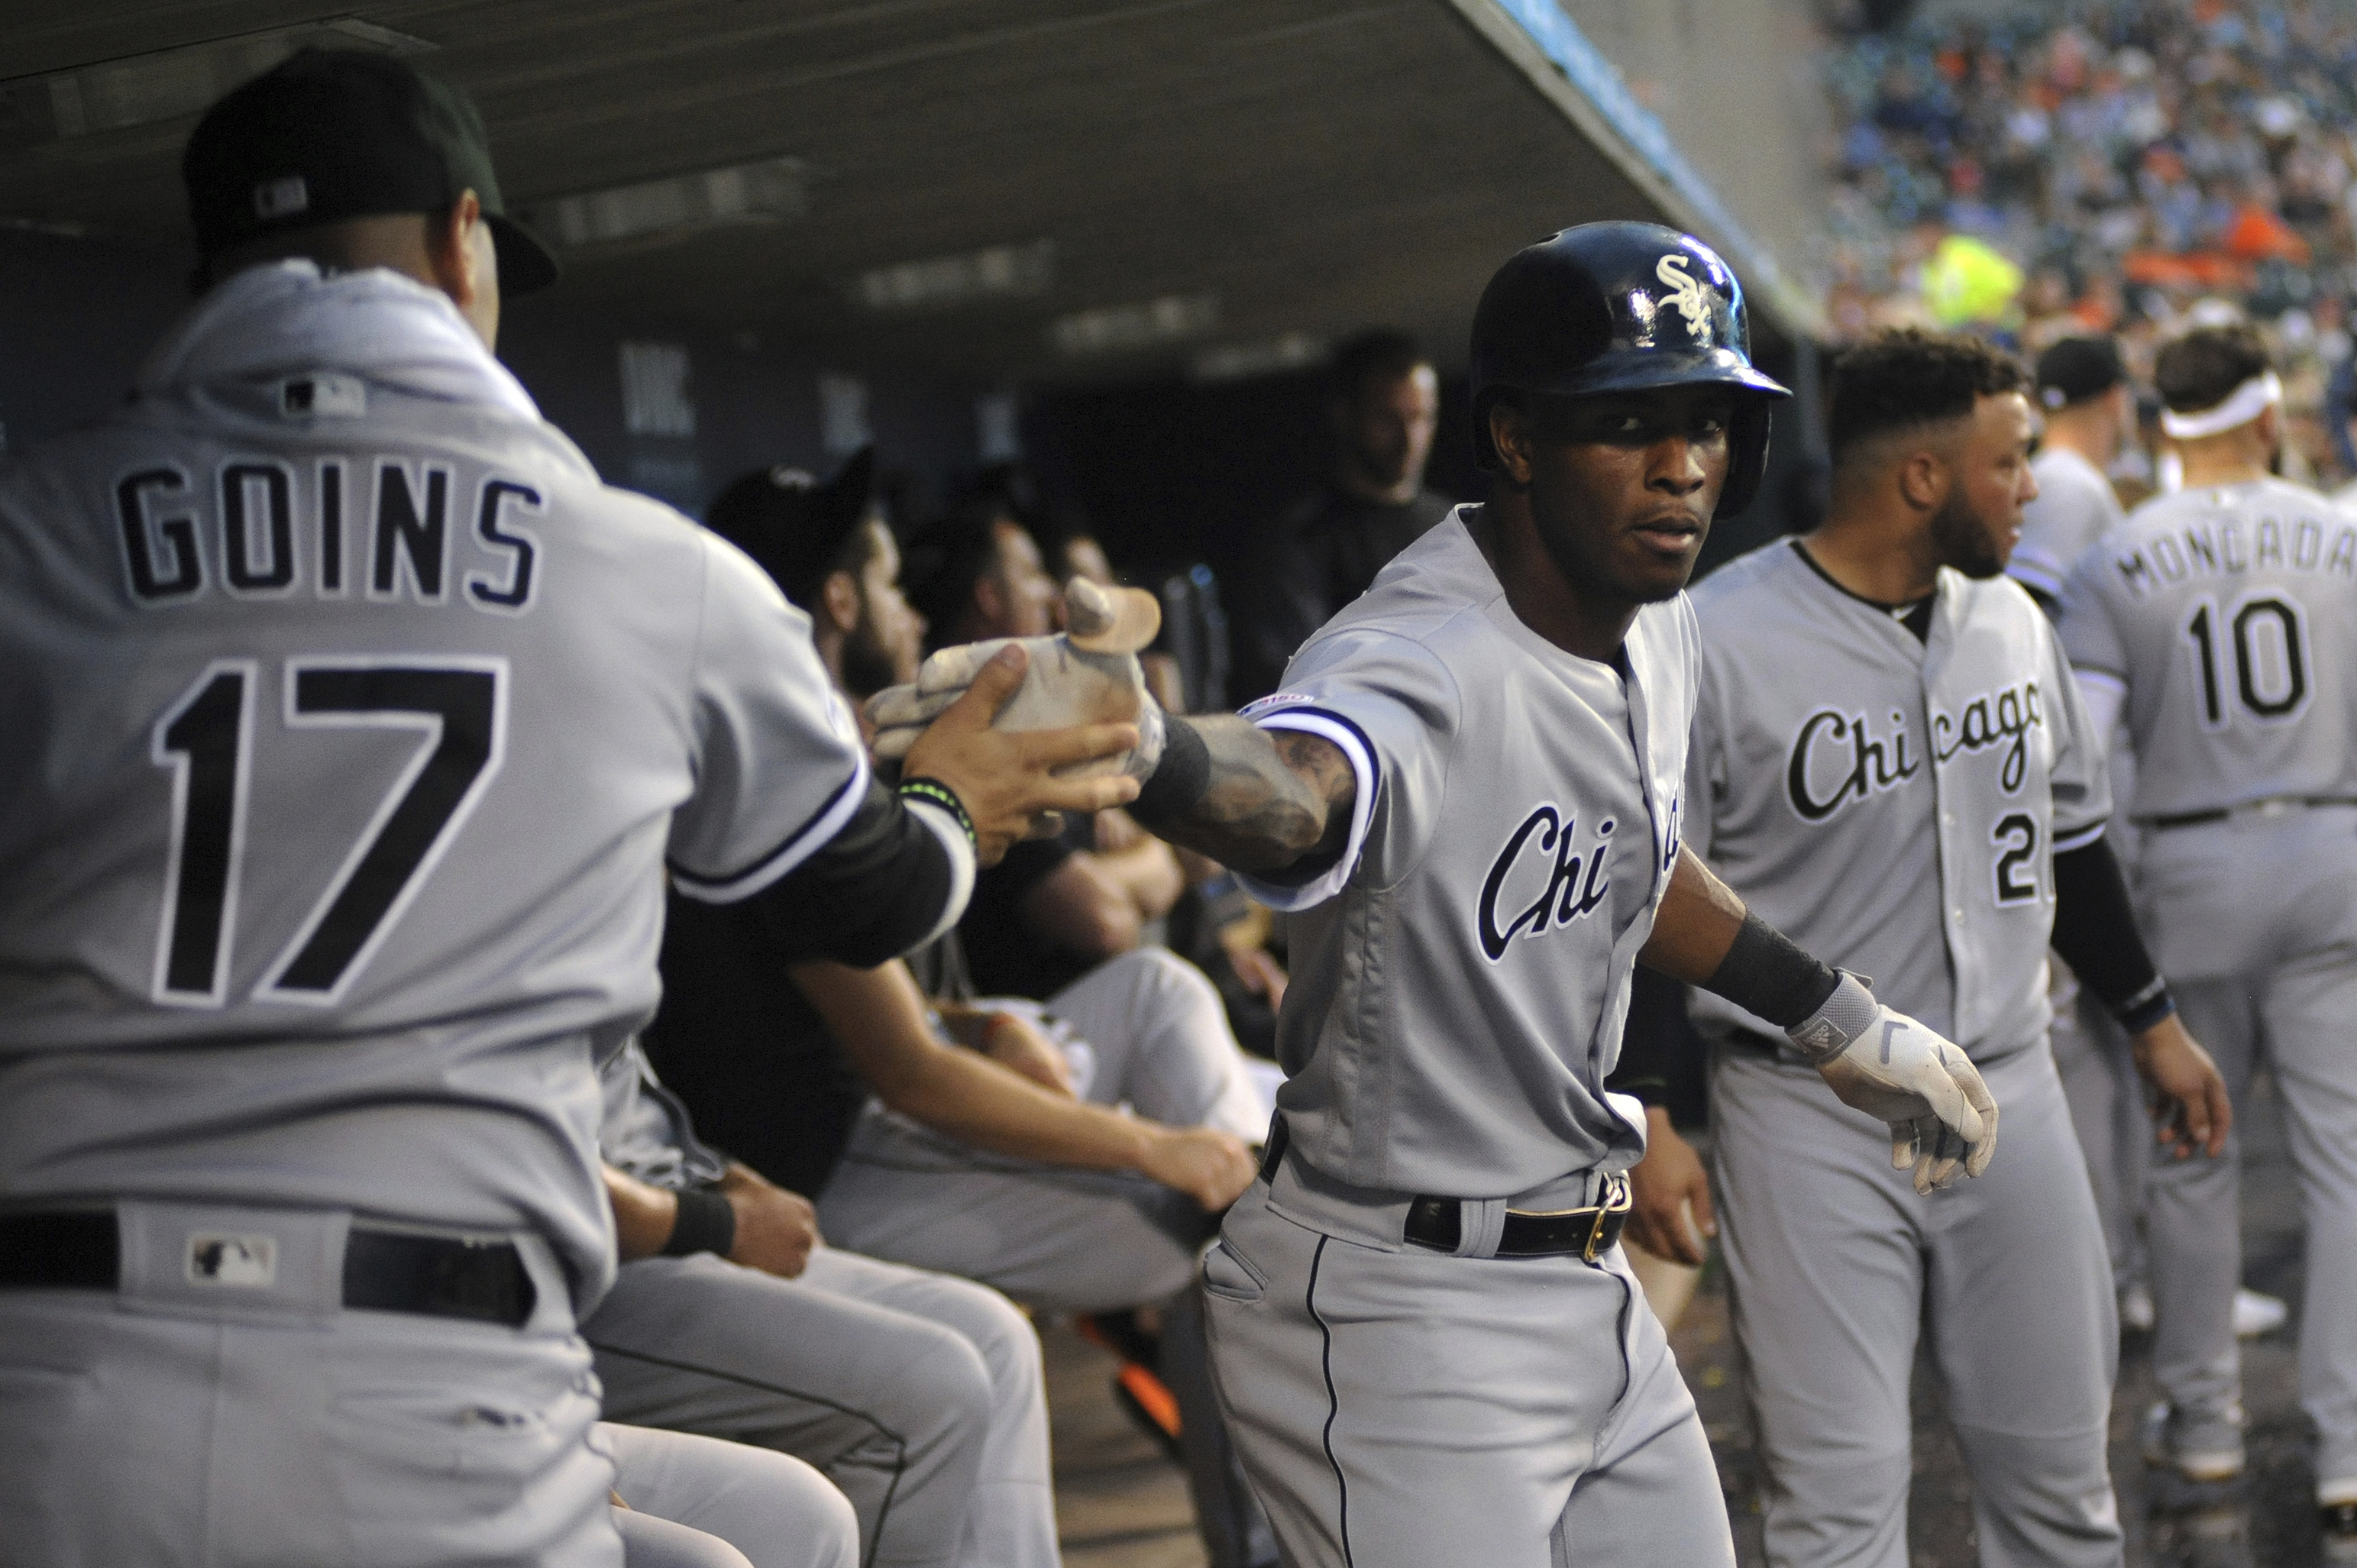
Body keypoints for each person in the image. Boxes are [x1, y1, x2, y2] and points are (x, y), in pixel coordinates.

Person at [0, 50, 1136, 1566]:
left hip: (61, 1384)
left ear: (215, 273)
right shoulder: (642, 565)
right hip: (432, 1388)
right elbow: (873, 898)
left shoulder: (34, 530)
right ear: (461, 241)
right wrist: (948, 794)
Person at [872, 221, 2006, 1568]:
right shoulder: (1419, 652)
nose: (1682, 463)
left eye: (1706, 420)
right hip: (1395, 1306)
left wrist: (1837, 1020)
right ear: (1517, 440)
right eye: (1624, 420)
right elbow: (1299, 788)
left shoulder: (1656, 620)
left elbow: (1630, 858)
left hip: (1584, 1286)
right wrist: (1154, 746)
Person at [1630, 328, 2229, 1568]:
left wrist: (2154, 1022)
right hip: (1804, 1113)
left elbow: (2072, 846)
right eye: (2007, 461)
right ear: (1920, 477)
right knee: (1837, 1514)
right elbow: (1639, 892)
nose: (2031, 487)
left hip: (2015, 1080)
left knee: (2064, 1493)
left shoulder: (2012, 617)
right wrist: (1643, 1102)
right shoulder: (1710, 638)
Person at [655, 455, 1278, 1566]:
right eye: (887, 586)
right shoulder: (776, 767)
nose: (904, 612)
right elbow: (907, 1075)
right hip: (804, 1167)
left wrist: (968, 1016)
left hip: (845, 1128)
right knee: (1212, 1236)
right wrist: (1169, 1150)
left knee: (1170, 1010)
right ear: (835, 602)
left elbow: (894, 1023)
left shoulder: (834, 742)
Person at [2059, 323, 2357, 1547]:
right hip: (2331, 846)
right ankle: (2348, 1442)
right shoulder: (2341, 533)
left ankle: (2203, 1423)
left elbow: (2080, 761)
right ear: (2258, 412)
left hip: (2181, 860)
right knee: (2343, 1166)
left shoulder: (2113, 555)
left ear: (2162, 418)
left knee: (2190, 1150)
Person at [593, 1038, 1065, 1568]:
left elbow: (628, 1102)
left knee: (993, 1333)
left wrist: (720, 1173)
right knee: (930, 1386)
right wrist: (722, 1221)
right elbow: (533, 1172)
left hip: (681, 1197)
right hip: (583, 1275)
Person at [907, 497, 1188, 997]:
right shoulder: (969, 735)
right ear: (989, 597)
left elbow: (1185, 866)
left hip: (1095, 1014)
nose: (1051, 596)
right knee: (1162, 987)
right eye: (1032, 574)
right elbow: (1105, 921)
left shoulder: (1044, 716)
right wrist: (1143, 857)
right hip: (1036, 1017)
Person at [1230, 328, 1451, 703]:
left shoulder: (1456, 527)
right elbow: (1290, 676)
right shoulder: (1301, 541)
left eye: (1422, 418)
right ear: (1345, 416)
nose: (1410, 439)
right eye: (1389, 420)